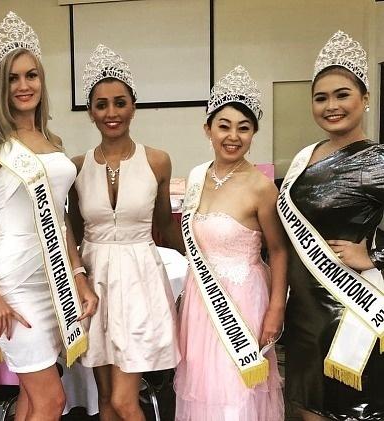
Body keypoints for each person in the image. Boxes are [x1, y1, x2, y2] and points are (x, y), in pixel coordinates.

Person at [0, 11, 98, 421]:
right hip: (15, 283)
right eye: (13, 78)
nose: (23, 85)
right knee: (52, 400)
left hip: (55, 281)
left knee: (34, 399)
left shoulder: (53, 140)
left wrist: (79, 276)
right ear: (1, 86)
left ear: (41, 80)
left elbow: (60, 219)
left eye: (31, 75)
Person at [68, 44, 181, 421]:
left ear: (134, 106)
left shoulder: (157, 160)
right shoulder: (77, 166)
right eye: (101, 105)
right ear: (90, 112)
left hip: (139, 282)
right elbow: (73, 230)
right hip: (94, 282)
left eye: (120, 103)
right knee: (104, 397)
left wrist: (201, 262)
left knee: (123, 400)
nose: (111, 113)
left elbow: (165, 224)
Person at [279, 31, 384, 421]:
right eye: (321, 98)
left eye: (342, 95)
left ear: (365, 98)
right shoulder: (306, 157)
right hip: (303, 310)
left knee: (347, 412)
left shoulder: (377, 160)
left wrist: (373, 255)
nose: (331, 106)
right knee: (306, 409)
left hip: (350, 310)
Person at [174, 65, 286, 421]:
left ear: (253, 133)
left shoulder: (261, 187)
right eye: (224, 126)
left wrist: (276, 309)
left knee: (237, 392)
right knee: (204, 388)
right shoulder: (196, 177)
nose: (233, 136)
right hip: (200, 299)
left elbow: (279, 250)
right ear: (207, 129)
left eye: (244, 127)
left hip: (244, 301)